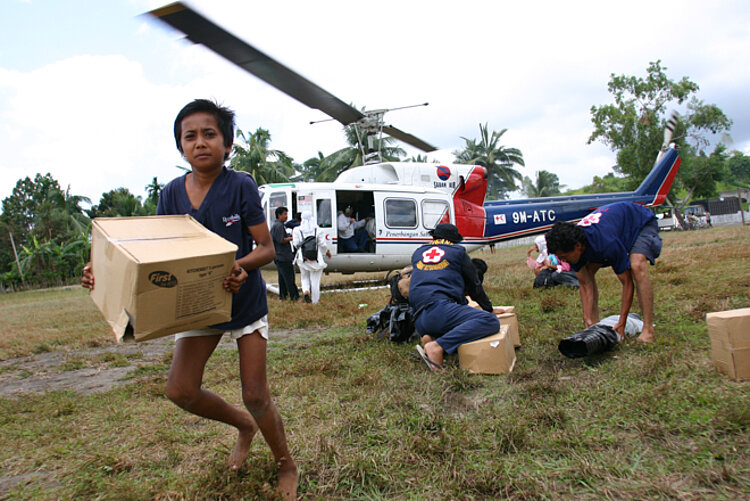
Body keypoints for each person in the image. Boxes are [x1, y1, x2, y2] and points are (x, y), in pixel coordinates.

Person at [81, 99, 297, 500]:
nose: (200, 143)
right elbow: (152, 251)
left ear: (227, 145)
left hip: (244, 303)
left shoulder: (241, 185)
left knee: (255, 394)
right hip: (198, 305)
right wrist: (100, 269)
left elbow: (265, 247)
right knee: (180, 390)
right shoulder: (171, 194)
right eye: (190, 136)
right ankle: (242, 426)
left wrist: (242, 266)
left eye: (209, 134)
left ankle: (286, 463)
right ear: (181, 147)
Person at [545, 201, 662, 344]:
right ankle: (593, 325)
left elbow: (627, 283)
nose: (562, 260)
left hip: (640, 222)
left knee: (636, 266)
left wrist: (622, 320)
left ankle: (648, 329)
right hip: (615, 229)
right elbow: (585, 283)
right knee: (584, 273)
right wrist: (587, 318)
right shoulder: (575, 246)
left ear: (578, 247)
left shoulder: (606, 243)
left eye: (564, 256)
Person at [408, 223, 503, 372]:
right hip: (439, 310)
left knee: (454, 319)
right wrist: (488, 309)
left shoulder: (417, 253)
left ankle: (430, 337)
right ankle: (437, 346)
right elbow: (474, 286)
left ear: (434, 237)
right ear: (454, 240)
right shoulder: (458, 252)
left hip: (418, 319)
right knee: (489, 321)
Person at [292, 210, 331, 304]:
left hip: (303, 258)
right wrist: (327, 252)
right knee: (315, 281)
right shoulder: (318, 230)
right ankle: (315, 301)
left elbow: (296, 244)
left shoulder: (297, 230)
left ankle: (306, 291)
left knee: (304, 277)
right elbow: (322, 244)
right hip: (316, 259)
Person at [270, 206, 299, 302]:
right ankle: (294, 297)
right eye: (285, 214)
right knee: (289, 278)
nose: (286, 216)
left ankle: (283, 296)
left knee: (282, 278)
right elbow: (281, 240)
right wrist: (291, 238)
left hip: (279, 256)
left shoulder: (278, 225)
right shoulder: (278, 226)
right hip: (283, 256)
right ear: (279, 215)